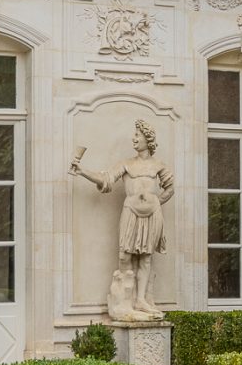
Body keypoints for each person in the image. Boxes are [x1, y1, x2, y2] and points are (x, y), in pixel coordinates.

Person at [71, 120, 175, 321]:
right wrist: (82, 171)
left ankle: (141, 300)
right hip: (131, 212)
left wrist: (155, 202)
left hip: (152, 214)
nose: (134, 139)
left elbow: (170, 188)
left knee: (145, 257)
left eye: (138, 135)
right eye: (134, 135)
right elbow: (106, 179)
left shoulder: (158, 165)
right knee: (125, 255)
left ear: (148, 139)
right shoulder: (127, 164)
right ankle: (124, 300)